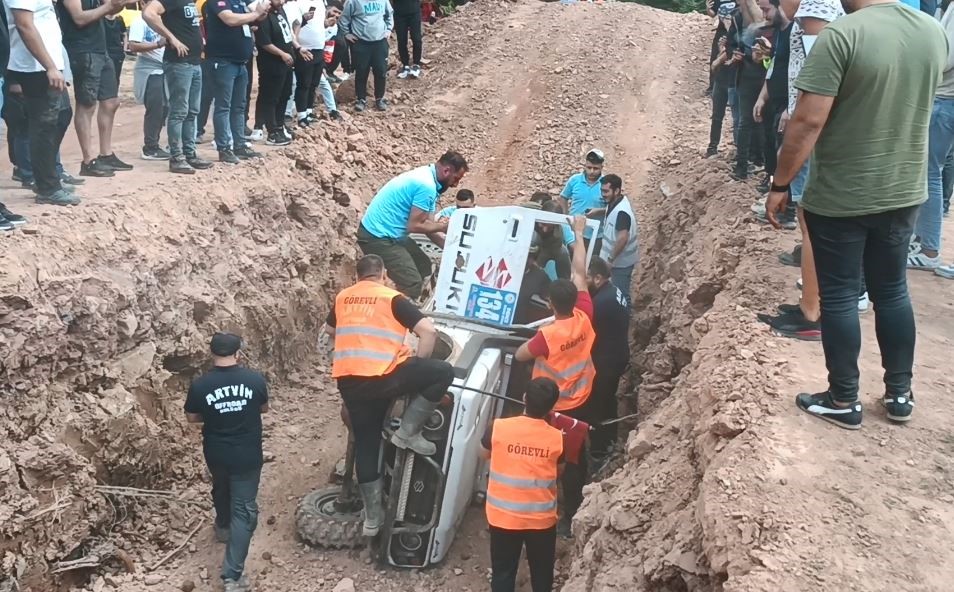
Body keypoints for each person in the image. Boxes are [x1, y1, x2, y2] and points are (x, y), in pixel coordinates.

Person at [764, 0, 946, 429]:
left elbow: (807, 121)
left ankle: (844, 398)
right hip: (904, 190)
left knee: (842, 295)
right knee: (892, 291)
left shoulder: (842, 36)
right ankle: (900, 394)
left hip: (845, 193)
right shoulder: (931, 30)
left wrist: (779, 184)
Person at [324, 254, 456, 536]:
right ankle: (407, 432)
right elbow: (428, 331)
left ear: (357, 276)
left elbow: (331, 331)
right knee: (443, 372)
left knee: (367, 442)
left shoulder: (343, 297)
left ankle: (372, 519)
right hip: (384, 376)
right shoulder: (391, 298)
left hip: (349, 382)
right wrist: (419, 364)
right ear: (382, 273)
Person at [515, 215, 594, 535]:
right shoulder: (585, 313)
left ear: (550, 304)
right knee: (576, 456)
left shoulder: (548, 335)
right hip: (583, 398)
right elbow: (580, 271)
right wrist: (578, 233)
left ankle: (555, 507)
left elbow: (521, 355)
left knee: (551, 456)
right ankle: (572, 506)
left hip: (555, 407)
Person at [184, 332, 269, 592]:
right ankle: (232, 576)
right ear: (238, 353)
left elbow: (191, 417)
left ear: (211, 354)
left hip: (216, 452)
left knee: (221, 486)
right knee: (244, 511)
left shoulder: (200, 385)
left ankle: (222, 525)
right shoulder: (254, 380)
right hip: (247, 455)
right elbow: (263, 408)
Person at [481, 377, 563, 592]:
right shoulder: (557, 438)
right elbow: (559, 470)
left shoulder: (498, 427)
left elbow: (483, 454)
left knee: (503, 572)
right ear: (552, 406)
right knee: (542, 574)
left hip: (503, 517)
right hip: (541, 521)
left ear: (524, 398)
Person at [357, 150, 469, 300]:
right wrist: (443, 227)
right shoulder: (426, 185)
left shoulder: (429, 180)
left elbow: (428, 225)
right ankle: (397, 313)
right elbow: (415, 226)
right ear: (447, 170)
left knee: (424, 266)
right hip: (377, 236)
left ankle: (406, 298)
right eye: (456, 179)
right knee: (412, 283)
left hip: (390, 233)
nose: (455, 184)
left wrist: (450, 247)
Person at [6, 0, 79, 205]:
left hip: (46, 63)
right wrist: (50, 66)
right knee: (43, 124)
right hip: (34, 66)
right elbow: (24, 25)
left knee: (61, 115)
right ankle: (47, 186)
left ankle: (44, 175)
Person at [58, 0, 134, 178]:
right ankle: (87, 160)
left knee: (111, 102)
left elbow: (111, 8)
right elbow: (79, 18)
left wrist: (118, 4)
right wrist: (108, 7)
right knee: (87, 104)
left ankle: (106, 154)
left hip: (100, 49)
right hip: (83, 50)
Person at [909, 3, 954, 272]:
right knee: (929, 173)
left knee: (930, 174)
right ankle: (922, 242)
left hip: (944, 99)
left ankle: (928, 249)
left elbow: (946, 58)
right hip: (944, 100)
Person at [203, 0, 267, 164]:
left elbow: (246, 20)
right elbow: (229, 19)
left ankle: (239, 145)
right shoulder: (217, 2)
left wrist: (258, 17)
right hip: (223, 61)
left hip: (240, 62)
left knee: (239, 106)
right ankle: (224, 148)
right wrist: (255, 14)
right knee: (223, 106)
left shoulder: (239, 2)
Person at [586, 257, 630, 459]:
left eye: (587, 278)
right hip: (617, 353)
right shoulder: (615, 291)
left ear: (597, 278)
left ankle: (599, 449)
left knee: (597, 403)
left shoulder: (600, 303)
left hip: (607, 361)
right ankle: (611, 436)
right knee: (608, 398)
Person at [752, 0, 793, 193]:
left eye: (766, 10)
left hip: (788, 105)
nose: (764, 16)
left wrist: (791, 107)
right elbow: (774, 68)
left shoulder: (797, 31)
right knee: (771, 146)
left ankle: (787, 206)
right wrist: (762, 97)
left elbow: (803, 72)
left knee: (785, 154)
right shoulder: (779, 32)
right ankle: (771, 185)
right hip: (776, 103)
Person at [128, 3, 170, 161]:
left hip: (166, 67)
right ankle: (150, 147)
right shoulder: (139, 21)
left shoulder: (164, 20)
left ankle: (158, 143)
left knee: (166, 107)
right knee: (156, 106)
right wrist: (158, 44)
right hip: (149, 68)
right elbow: (133, 46)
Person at [254, 0, 295, 146]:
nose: (283, 2)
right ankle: (271, 131)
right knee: (271, 97)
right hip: (271, 63)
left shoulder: (280, 11)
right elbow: (264, 41)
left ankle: (279, 125)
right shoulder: (264, 14)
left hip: (287, 62)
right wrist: (281, 54)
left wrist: (295, 48)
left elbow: (288, 33)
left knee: (285, 94)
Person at [339, 0, 392, 112]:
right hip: (361, 42)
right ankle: (361, 99)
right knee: (361, 72)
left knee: (381, 71)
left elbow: (389, 14)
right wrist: (347, 34)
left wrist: (388, 29)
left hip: (380, 41)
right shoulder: (353, 1)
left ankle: (379, 98)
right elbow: (344, 18)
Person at [707, 2, 741, 158]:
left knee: (737, 118)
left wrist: (719, 58)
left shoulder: (739, 33)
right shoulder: (725, 35)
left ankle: (739, 151)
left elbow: (730, 53)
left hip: (735, 78)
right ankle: (712, 147)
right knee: (717, 115)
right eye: (724, 18)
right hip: (722, 77)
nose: (726, 21)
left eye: (728, 18)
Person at [285, 0, 325, 128]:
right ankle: (302, 115)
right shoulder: (298, 4)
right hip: (304, 49)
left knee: (314, 83)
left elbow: (318, 24)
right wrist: (303, 19)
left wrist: (327, 24)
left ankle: (309, 111)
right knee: (304, 83)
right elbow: (292, 26)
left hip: (319, 47)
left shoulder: (320, 3)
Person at [598, 174, 638, 299]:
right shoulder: (615, 202)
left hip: (620, 264)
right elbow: (609, 212)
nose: (603, 194)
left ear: (616, 191)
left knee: (621, 295)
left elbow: (623, 238)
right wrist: (596, 211)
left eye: (606, 191)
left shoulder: (622, 213)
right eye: (602, 190)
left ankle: (624, 317)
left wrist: (610, 260)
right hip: (616, 262)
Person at [559, 148, 605, 251]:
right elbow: (563, 198)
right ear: (585, 165)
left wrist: (599, 211)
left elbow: (613, 207)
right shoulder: (575, 180)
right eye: (589, 167)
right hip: (573, 232)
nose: (592, 171)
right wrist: (566, 218)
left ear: (602, 167)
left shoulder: (606, 184)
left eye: (595, 168)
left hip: (595, 236)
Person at [393, 0, 422, 79]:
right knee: (401, 40)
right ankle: (405, 65)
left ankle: (416, 64)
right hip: (399, 12)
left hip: (414, 11)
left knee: (417, 39)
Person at [103, 10, 126, 84]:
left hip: (117, 52)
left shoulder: (119, 19)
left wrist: (124, 48)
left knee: (116, 76)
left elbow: (124, 34)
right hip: (105, 51)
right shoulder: (101, 19)